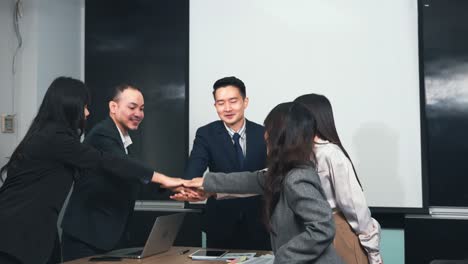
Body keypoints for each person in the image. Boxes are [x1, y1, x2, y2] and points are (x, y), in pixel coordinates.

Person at [0, 77, 183, 264]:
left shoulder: (53, 137)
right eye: (84, 107)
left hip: (39, 229)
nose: (87, 113)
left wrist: (174, 188)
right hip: (19, 231)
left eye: (141, 108)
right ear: (68, 107)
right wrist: (163, 178)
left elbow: (128, 177)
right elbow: (106, 160)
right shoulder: (57, 139)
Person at [175, 102, 343, 263]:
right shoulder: (283, 173)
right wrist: (204, 182)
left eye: (269, 129)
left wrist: (284, 256)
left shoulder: (297, 178)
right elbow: (249, 180)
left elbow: (322, 227)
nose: (265, 135)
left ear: (282, 136)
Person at [61, 84, 149, 260]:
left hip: (110, 238)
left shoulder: (126, 140)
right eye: (132, 107)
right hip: (87, 239)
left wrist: (175, 191)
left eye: (141, 109)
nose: (138, 114)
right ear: (113, 107)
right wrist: (171, 182)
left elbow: (133, 180)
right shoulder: (102, 134)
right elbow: (127, 168)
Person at [294, 93, 383, 264]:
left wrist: (373, 253)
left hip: (338, 233)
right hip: (314, 233)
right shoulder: (302, 153)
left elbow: (354, 207)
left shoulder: (330, 153)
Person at [184, 76, 270, 250]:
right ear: (215, 106)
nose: (228, 108)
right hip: (220, 224)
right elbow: (192, 174)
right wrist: (191, 188)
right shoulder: (206, 134)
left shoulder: (264, 133)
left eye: (233, 101)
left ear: (245, 102)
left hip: (260, 223)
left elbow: (273, 176)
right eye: (221, 103)